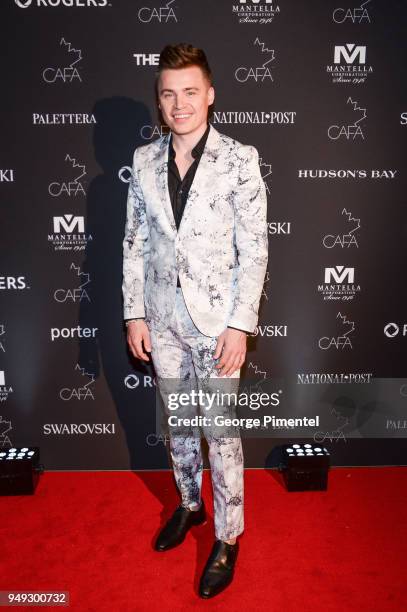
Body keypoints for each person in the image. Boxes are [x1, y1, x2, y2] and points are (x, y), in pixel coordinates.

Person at [122, 42, 268, 599]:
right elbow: (134, 244)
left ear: (209, 95)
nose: (178, 104)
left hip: (217, 324)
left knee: (221, 433)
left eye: (189, 92)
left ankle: (229, 537)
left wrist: (240, 324)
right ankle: (190, 505)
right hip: (163, 321)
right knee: (178, 426)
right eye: (168, 94)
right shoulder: (142, 162)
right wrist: (134, 312)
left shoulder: (240, 159)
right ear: (159, 102)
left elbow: (253, 250)